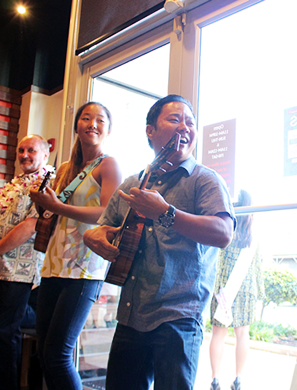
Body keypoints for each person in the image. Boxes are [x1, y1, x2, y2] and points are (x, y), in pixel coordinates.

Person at [83, 94, 235, 390]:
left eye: (190, 122)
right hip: (130, 313)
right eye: (175, 119)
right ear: (150, 131)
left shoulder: (205, 180)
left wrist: (166, 213)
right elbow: (102, 227)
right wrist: (93, 235)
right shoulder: (132, 183)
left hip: (178, 316)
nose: (185, 127)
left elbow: (223, 233)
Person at [29, 101, 122, 389]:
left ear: (107, 130)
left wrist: (57, 206)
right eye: (86, 118)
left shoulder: (109, 164)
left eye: (100, 120)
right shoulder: (65, 167)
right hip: (54, 265)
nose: (92, 124)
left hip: (84, 269)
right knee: (44, 351)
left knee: (57, 354)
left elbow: (109, 212)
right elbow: (51, 211)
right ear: (77, 126)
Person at [0, 134, 50, 390]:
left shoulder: (46, 183)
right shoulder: (16, 183)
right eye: (21, 150)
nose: (24, 155)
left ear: (45, 155)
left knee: (2, 332)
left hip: (19, 272)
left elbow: (31, 226)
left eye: (31, 150)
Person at [209, 189, 264, 390]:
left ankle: (215, 380)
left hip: (223, 288)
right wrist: (260, 292)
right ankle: (238, 379)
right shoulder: (253, 233)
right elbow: (257, 264)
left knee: (218, 335)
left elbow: (217, 260)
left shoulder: (226, 227)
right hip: (246, 288)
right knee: (243, 335)